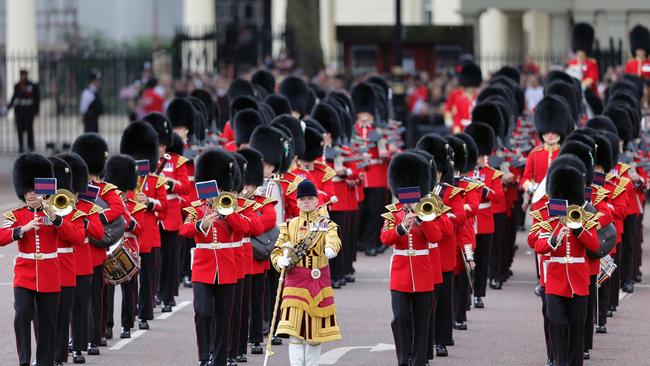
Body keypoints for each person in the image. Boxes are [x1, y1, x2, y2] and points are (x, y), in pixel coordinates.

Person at [0, 153, 84, 366]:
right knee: (22, 313)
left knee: (48, 323)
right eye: (27, 190)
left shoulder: (58, 213)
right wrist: (22, 230)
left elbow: (76, 237)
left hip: (49, 274)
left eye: (35, 190)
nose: (30, 194)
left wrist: (55, 217)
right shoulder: (17, 216)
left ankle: (45, 362)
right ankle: (25, 360)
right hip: (25, 273)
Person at [180, 149, 250, 366]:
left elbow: (247, 228)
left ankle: (218, 359)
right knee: (202, 311)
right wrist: (202, 223)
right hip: (203, 267)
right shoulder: (196, 209)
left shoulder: (232, 207)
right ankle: (204, 356)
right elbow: (184, 230)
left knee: (224, 318)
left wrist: (228, 214)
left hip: (227, 269)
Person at [270, 179, 342, 366]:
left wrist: (331, 248)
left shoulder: (327, 224)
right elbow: (277, 250)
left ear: (317, 200)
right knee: (294, 332)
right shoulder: (289, 225)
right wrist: (280, 260)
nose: (306, 202)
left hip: (319, 281)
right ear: (298, 202)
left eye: (310, 198)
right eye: (302, 199)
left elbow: (334, 238)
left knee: (314, 335)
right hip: (295, 281)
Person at [8, 69, 39, 153]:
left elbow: (36, 98)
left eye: (25, 75)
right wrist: (9, 107)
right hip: (20, 110)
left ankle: (31, 146)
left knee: (29, 129)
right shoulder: (17, 85)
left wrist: (36, 110)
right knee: (20, 129)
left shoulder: (31, 85)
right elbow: (14, 97)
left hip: (29, 110)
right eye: (22, 75)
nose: (23, 77)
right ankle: (21, 146)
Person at [567, 23, 599, 97]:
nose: (580, 53)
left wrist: (579, 85)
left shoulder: (591, 63)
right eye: (579, 51)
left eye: (582, 52)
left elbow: (592, 79)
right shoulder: (571, 63)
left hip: (589, 95)